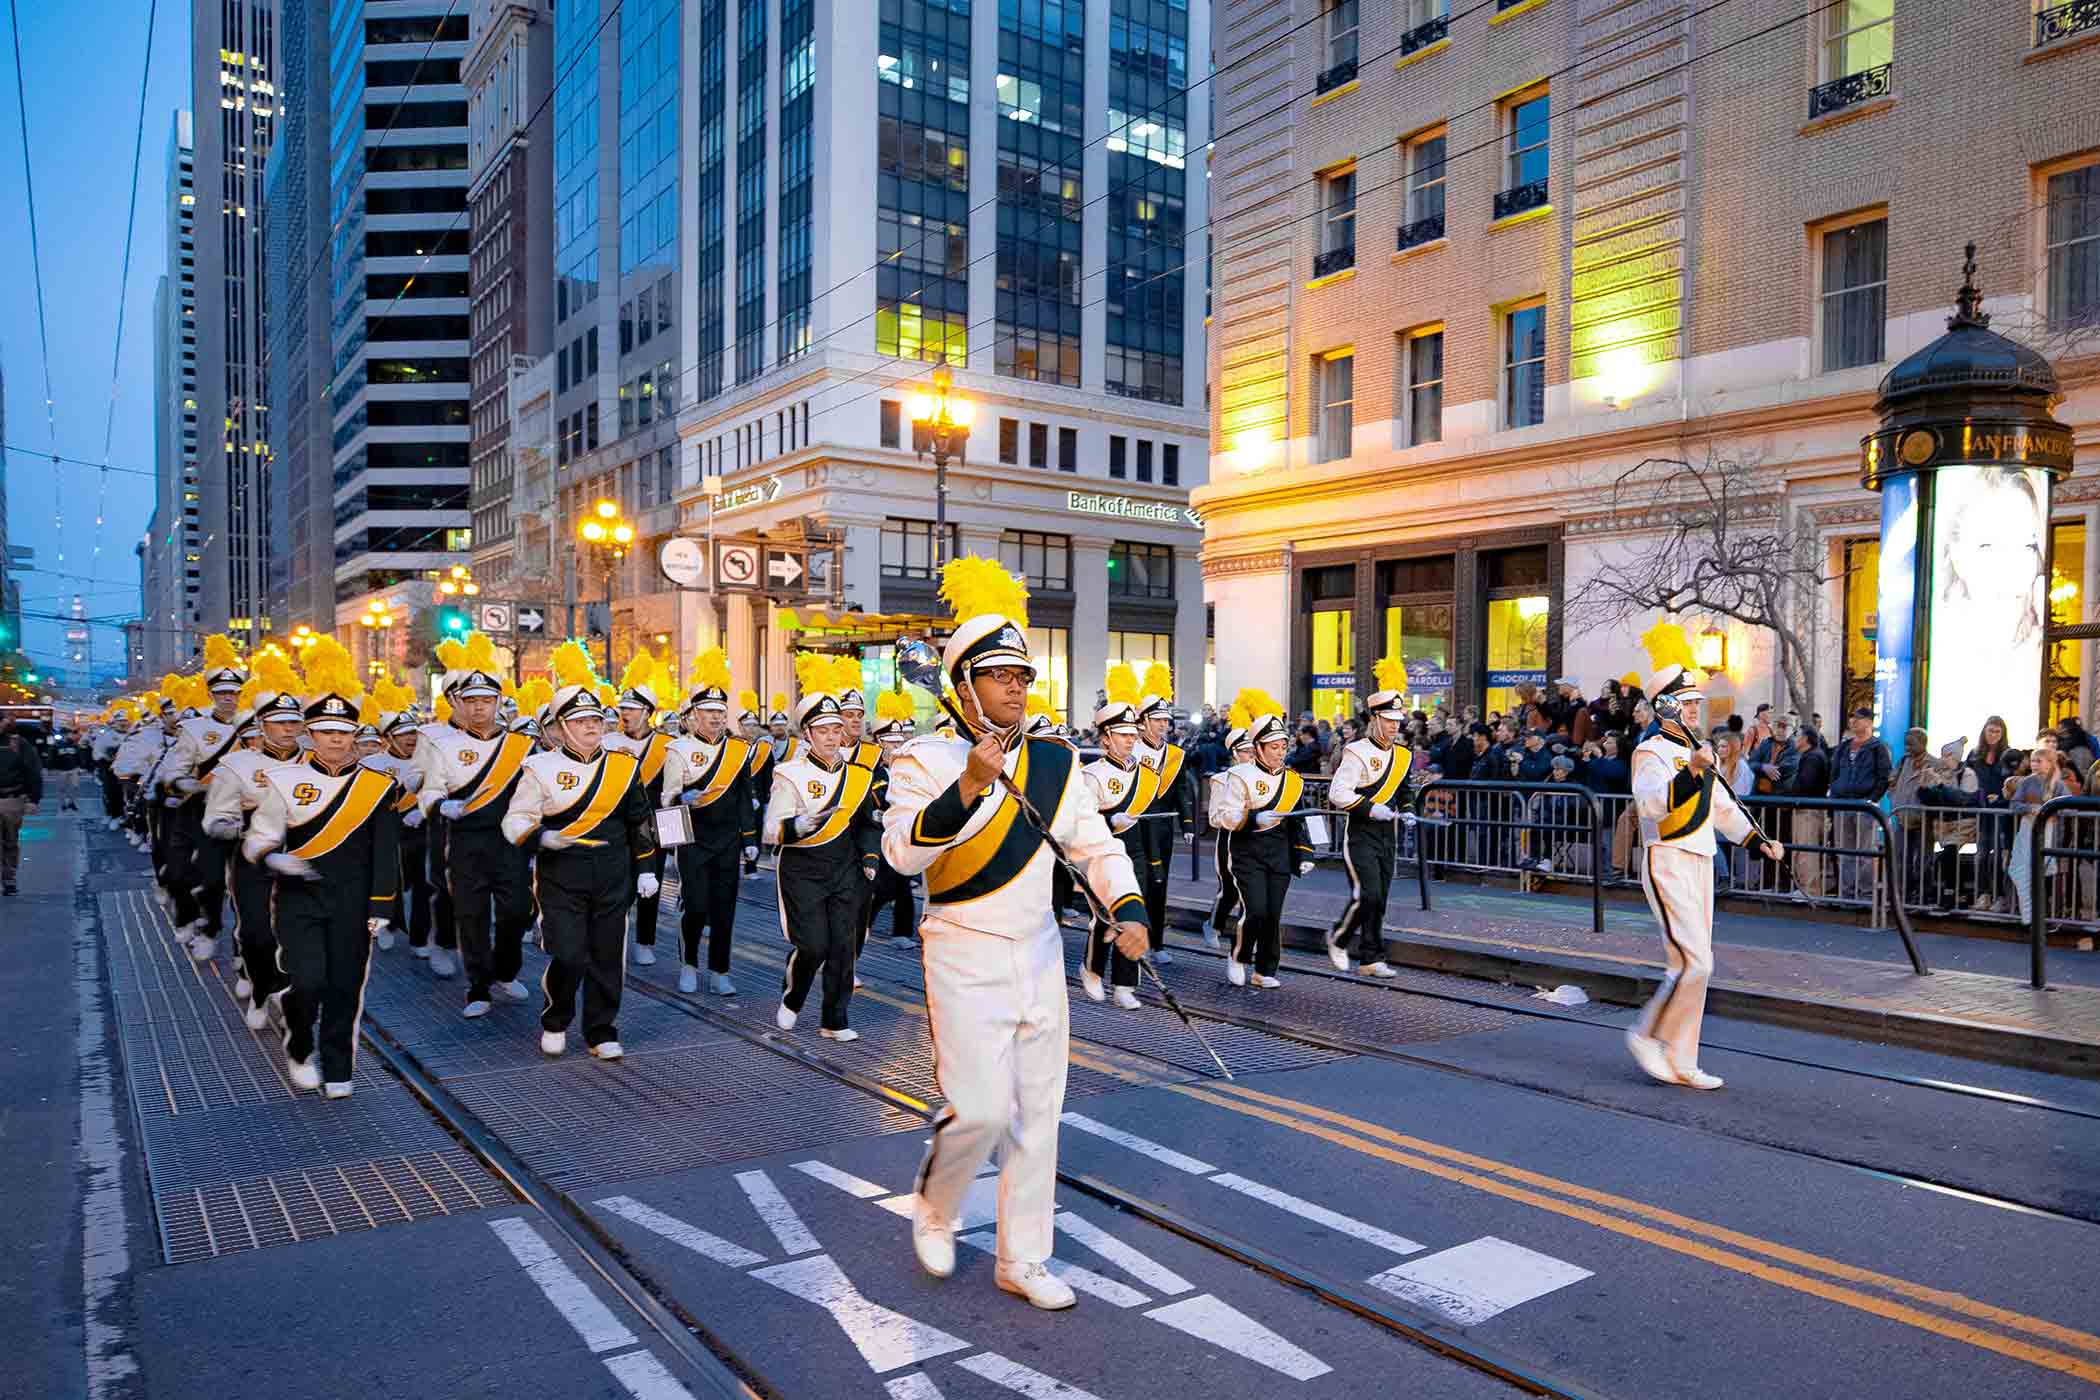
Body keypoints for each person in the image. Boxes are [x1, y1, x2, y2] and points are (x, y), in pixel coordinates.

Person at [880, 603, 1149, 1312]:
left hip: (1037, 949)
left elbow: (1095, 846)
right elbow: (903, 852)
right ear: (961, 687)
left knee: (1038, 1115)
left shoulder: (1058, 762)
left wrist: (1126, 906)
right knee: (979, 1111)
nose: (1013, 687)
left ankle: (1023, 1258)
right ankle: (936, 1207)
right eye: (996, 675)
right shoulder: (925, 758)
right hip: (962, 949)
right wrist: (968, 784)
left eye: (1021, 675)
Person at [240, 681, 401, 1099]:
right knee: (308, 982)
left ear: (354, 736)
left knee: (346, 986)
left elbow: (386, 852)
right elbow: (259, 838)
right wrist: (273, 858)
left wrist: (382, 904)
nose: (336, 739)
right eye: (326, 730)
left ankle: (338, 1069)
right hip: (300, 901)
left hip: (353, 902)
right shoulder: (283, 781)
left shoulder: (378, 787)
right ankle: (299, 1044)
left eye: (344, 732)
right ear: (310, 734)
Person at [1626, 662, 1781, 1092]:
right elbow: (1653, 804)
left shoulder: (1701, 749)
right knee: (1696, 962)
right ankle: (1646, 1035)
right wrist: (1692, 770)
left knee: (1692, 966)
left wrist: (1757, 840)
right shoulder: (1651, 751)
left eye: (1696, 702)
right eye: (1685, 702)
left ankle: (1682, 1060)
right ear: (1665, 706)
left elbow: (1723, 809)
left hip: (1701, 859)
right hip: (1668, 858)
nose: (1694, 709)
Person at [503, 685, 657, 1060]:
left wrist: (647, 869)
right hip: (561, 880)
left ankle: (601, 1031)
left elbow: (640, 821)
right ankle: (556, 1018)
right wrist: (542, 837)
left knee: (607, 958)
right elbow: (515, 819)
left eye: (595, 719)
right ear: (561, 727)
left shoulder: (624, 766)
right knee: (570, 955)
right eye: (580, 721)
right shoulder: (540, 767)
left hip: (613, 878)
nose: (591, 726)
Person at [414, 645, 537, 1017]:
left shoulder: (522, 745)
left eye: (486, 699)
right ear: (460, 704)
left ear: (499, 701)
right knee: (472, 914)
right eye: (471, 700)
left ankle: (506, 969)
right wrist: (440, 806)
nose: (479, 707)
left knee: (517, 911)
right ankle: (479, 986)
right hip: (466, 842)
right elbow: (431, 790)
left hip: (510, 842)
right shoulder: (443, 745)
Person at [766, 692, 883, 1040]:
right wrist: (799, 825)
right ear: (808, 735)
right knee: (814, 945)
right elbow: (772, 828)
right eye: (823, 730)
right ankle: (794, 994)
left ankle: (835, 1020)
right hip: (802, 870)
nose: (832, 737)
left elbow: (867, 824)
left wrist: (870, 857)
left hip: (845, 868)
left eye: (836, 729)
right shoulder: (789, 775)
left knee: (843, 946)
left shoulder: (859, 776)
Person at [203, 687, 306, 1029]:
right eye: (280, 723)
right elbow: (214, 818)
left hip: (305, 856)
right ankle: (263, 991)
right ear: (262, 724)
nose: (289, 729)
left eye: (294, 721)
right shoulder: (237, 765)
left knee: (299, 936)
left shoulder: (316, 761)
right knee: (257, 933)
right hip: (253, 859)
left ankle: (288, 994)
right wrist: (238, 828)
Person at [662, 660, 759, 994]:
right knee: (696, 904)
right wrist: (683, 796)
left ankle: (720, 970)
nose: (716, 717)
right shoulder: (678, 749)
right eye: (708, 711)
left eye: (721, 710)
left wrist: (750, 838)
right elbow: (666, 797)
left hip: (728, 840)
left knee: (724, 909)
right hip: (693, 840)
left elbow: (746, 796)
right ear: (694, 715)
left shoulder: (738, 750)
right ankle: (688, 963)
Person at [1213, 713, 1316, 987]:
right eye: (1274, 747)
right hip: (1248, 852)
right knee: (1256, 910)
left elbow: (1300, 818)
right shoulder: (1239, 775)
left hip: (1279, 853)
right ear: (1258, 748)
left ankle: (1265, 970)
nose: (1280, 752)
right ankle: (1239, 955)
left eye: (1283, 747)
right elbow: (1226, 815)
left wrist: (1306, 853)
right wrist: (1254, 817)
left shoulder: (1293, 780)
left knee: (1273, 913)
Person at [159, 660, 250, 958]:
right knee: (184, 875)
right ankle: (194, 919)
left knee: (229, 883)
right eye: (222, 692)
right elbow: (175, 767)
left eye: (234, 692)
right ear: (211, 695)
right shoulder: (195, 729)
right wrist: (184, 783)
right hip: (199, 808)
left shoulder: (253, 726)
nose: (228, 698)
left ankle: (216, 934)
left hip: (238, 810)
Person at [1323, 685, 1412, 978]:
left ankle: (1371, 958)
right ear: (1375, 719)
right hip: (1361, 833)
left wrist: (1409, 809)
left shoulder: (1402, 755)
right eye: (1388, 720)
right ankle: (1338, 937)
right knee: (1368, 894)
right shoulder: (1356, 752)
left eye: (1397, 721)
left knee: (1380, 898)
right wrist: (1370, 808)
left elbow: (1404, 790)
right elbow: (1338, 792)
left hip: (1388, 835)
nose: (1394, 726)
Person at [1079, 699, 1161, 1008]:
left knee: (1133, 915)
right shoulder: (1091, 776)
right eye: (1123, 734)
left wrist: (1155, 861)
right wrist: (1108, 821)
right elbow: (1080, 823)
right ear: (1105, 738)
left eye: (1132, 735)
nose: (1130, 740)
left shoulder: (1146, 776)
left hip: (1135, 854)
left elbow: (1150, 822)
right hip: (1101, 853)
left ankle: (1125, 986)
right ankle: (1092, 968)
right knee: (1103, 916)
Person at [603, 653, 676, 966]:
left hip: (654, 828)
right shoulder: (607, 742)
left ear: (648, 712)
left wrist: (674, 835)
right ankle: (613, 936)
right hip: (618, 827)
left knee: (651, 886)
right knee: (619, 886)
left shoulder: (668, 745)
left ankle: (645, 941)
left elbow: (673, 790)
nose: (625, 714)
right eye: (623, 708)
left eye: (632, 709)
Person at [1133, 675, 1194, 965]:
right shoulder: (1129, 748)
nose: (1162, 725)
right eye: (1157, 720)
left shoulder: (1175, 755)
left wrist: (1188, 824)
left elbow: (1182, 790)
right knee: (1134, 884)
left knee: (1159, 885)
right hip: (1132, 829)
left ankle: (1156, 943)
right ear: (1142, 721)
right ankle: (1133, 939)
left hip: (1161, 830)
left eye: (1165, 721)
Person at [1828, 706, 1892, 901]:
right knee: (1844, 851)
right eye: (1853, 718)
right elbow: (1835, 772)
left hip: (1865, 805)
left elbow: (1884, 776)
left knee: (1866, 852)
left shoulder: (1878, 747)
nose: (1854, 722)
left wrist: (1872, 799)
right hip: (1843, 803)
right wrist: (1836, 794)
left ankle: (1866, 894)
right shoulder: (1844, 746)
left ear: (1869, 722)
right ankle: (1847, 893)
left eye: (1859, 718)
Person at [1204, 726, 1254, 949]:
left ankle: (1247, 938)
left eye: (1254, 750)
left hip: (1255, 839)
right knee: (1229, 890)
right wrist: (1237, 816)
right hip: (1230, 838)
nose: (1251, 755)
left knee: (1252, 890)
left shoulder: (1262, 776)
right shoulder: (1221, 780)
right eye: (1246, 751)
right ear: (1235, 753)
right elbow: (1214, 818)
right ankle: (1213, 925)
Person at [0, 712, 44, 896]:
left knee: (10, 840)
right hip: (10, 799)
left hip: (11, 798)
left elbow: (33, 772)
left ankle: (9, 877)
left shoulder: (17, 743)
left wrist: (33, 799)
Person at [1787, 726, 1832, 898]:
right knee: (1803, 850)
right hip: (1809, 809)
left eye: (1796, 735)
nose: (1793, 738)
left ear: (1806, 739)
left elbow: (1805, 785)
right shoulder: (1812, 756)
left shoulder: (1813, 757)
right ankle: (1807, 888)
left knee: (1806, 851)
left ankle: (1810, 890)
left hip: (1808, 810)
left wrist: (1790, 793)